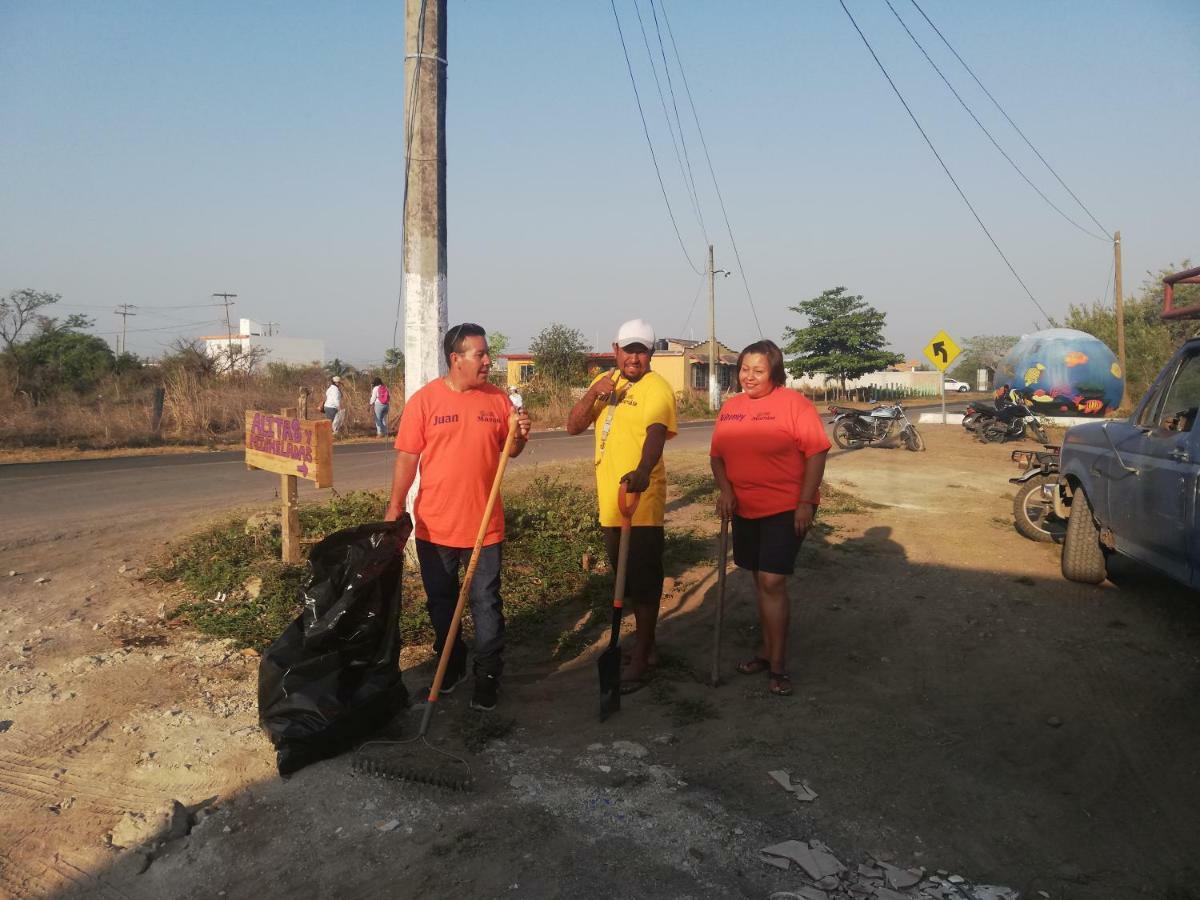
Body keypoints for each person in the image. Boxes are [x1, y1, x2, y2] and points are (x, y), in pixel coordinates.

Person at [384, 323, 532, 711]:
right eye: (479, 354)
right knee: (441, 602)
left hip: (486, 526)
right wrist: (395, 506)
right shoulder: (425, 402)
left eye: (486, 354)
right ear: (456, 359)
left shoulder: (499, 401)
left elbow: (509, 452)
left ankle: (487, 675)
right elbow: (407, 458)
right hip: (435, 526)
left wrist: (519, 435)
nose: (487, 361)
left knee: (486, 602)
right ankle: (450, 664)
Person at [710, 340, 830, 697]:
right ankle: (765, 652)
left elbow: (817, 452)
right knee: (760, 582)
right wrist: (726, 491)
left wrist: (806, 501)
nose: (749, 377)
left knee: (772, 582)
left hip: (787, 508)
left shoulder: (795, 405)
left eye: (758, 371)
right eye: (744, 369)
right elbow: (717, 456)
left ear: (774, 371)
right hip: (744, 508)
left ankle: (778, 667)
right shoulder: (730, 408)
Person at [567, 318, 678, 693]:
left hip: (640, 501)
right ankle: (650, 646)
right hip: (611, 504)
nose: (634, 357)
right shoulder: (606, 385)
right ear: (615, 350)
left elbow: (656, 433)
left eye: (641, 350)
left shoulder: (656, 388)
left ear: (650, 354)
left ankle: (643, 656)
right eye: (628, 349)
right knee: (625, 580)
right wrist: (591, 395)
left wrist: (644, 471)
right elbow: (572, 427)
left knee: (644, 582)